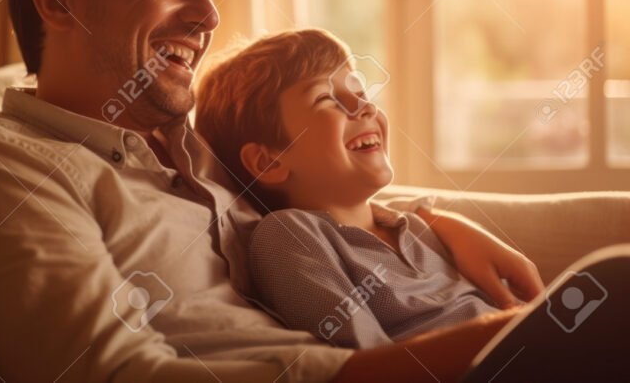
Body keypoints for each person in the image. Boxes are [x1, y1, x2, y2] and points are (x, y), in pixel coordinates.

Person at [0, 0, 562, 383]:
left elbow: (325, 189)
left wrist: (433, 221)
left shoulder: (201, 153)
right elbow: (110, 375)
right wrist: (491, 342)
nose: (208, 17)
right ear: (57, 1)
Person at [195, 28, 630, 381]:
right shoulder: (290, 235)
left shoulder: (418, 226)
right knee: (615, 280)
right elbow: (368, 363)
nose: (363, 106)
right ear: (270, 161)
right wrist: (523, 327)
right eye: (327, 99)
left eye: (359, 90)